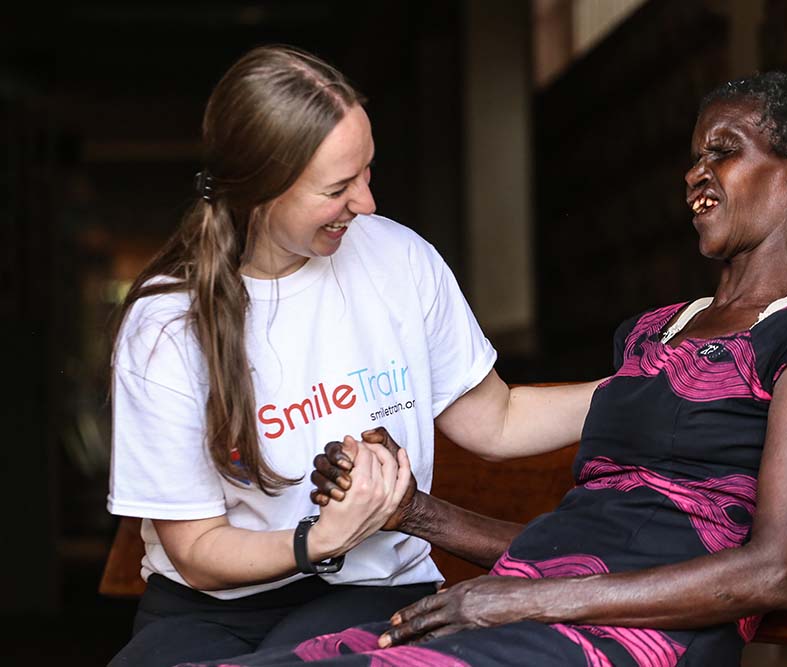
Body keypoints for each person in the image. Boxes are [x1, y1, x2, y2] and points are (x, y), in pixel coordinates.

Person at [181, 71, 787, 667]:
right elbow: (587, 538)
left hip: (640, 642)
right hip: (541, 618)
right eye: (694, 154)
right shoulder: (656, 332)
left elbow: (774, 570)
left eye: (723, 151)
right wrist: (411, 510)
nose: (695, 173)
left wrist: (521, 598)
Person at [107, 44, 601, 667]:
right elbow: (198, 552)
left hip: (373, 591)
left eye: (368, 171)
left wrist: (645, 386)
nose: (366, 203)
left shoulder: (400, 258)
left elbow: (496, 419)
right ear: (261, 192)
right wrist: (322, 539)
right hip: (206, 605)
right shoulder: (167, 322)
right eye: (339, 187)